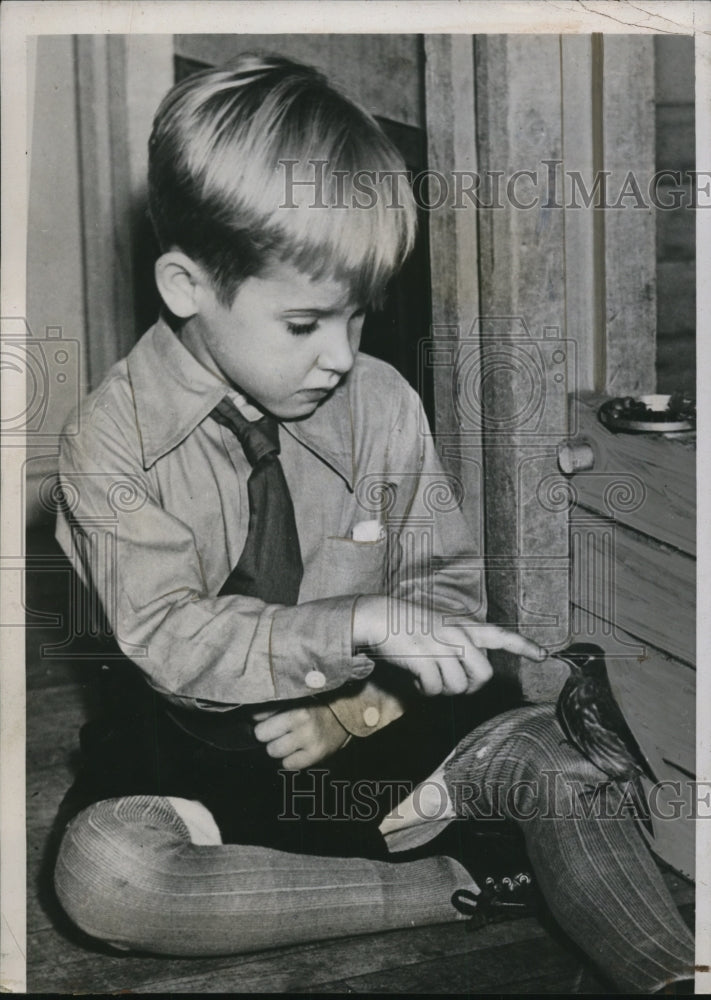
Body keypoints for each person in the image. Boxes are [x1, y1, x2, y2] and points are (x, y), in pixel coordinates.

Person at [52, 54, 694, 993]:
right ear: (187, 286)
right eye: (307, 324)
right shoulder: (104, 442)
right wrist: (349, 622)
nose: (344, 356)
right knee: (110, 876)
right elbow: (172, 635)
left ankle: (673, 971)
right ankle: (470, 880)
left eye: (360, 315)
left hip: (376, 728)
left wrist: (357, 709)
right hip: (197, 747)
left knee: (562, 768)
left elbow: (441, 582)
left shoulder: (379, 401)